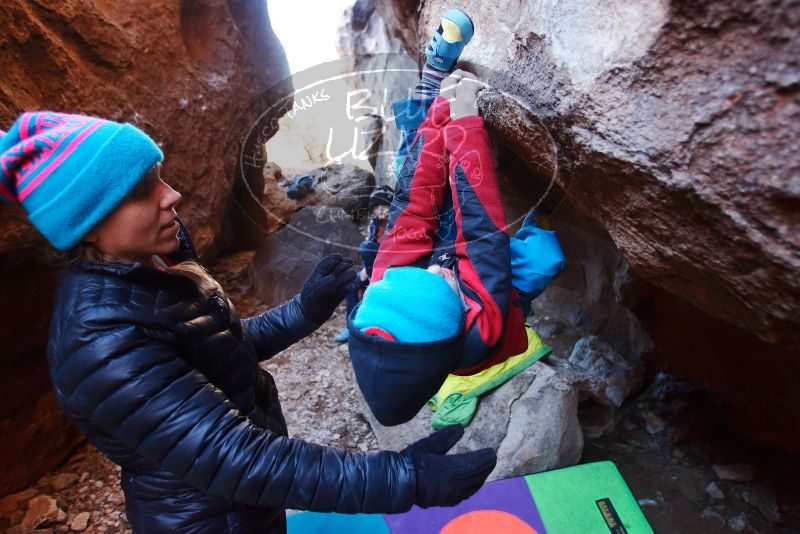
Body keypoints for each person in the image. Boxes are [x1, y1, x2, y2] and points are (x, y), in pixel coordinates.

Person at [0, 107, 498, 532]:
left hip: (242, 504)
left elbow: (218, 351)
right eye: (142, 190)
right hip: (209, 519)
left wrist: (304, 310)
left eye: (160, 177)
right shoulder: (100, 339)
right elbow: (234, 457)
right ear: (87, 222)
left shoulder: (152, 270)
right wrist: (404, 479)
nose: (171, 195)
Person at [347, 9, 566, 427]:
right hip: (484, 280)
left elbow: (412, 204)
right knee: (542, 257)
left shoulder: (387, 283)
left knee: (411, 160)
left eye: (417, 273)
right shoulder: (483, 323)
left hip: (454, 276)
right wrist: (465, 122)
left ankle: (432, 78)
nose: (432, 269)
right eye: (436, 281)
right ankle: (545, 219)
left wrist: (439, 116)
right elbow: (480, 225)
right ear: (458, 315)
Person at [334, 185, 394, 343]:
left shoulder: (396, 225)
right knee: (351, 285)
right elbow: (369, 251)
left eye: (384, 206)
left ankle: (368, 321)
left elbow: (393, 252)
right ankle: (351, 326)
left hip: (389, 268)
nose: (380, 211)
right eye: (376, 208)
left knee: (366, 247)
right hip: (371, 268)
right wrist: (364, 270)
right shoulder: (374, 225)